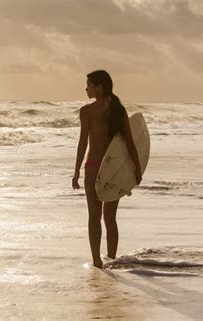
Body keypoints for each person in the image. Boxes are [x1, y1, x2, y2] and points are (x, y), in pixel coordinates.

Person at [72, 70, 142, 268]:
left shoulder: (87, 111)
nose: (86, 88)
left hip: (94, 167)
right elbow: (129, 142)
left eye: (89, 84)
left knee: (94, 216)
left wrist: (76, 170)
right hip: (113, 169)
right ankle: (111, 259)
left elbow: (83, 142)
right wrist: (137, 168)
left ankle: (97, 261)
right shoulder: (119, 110)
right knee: (110, 217)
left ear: (99, 87)